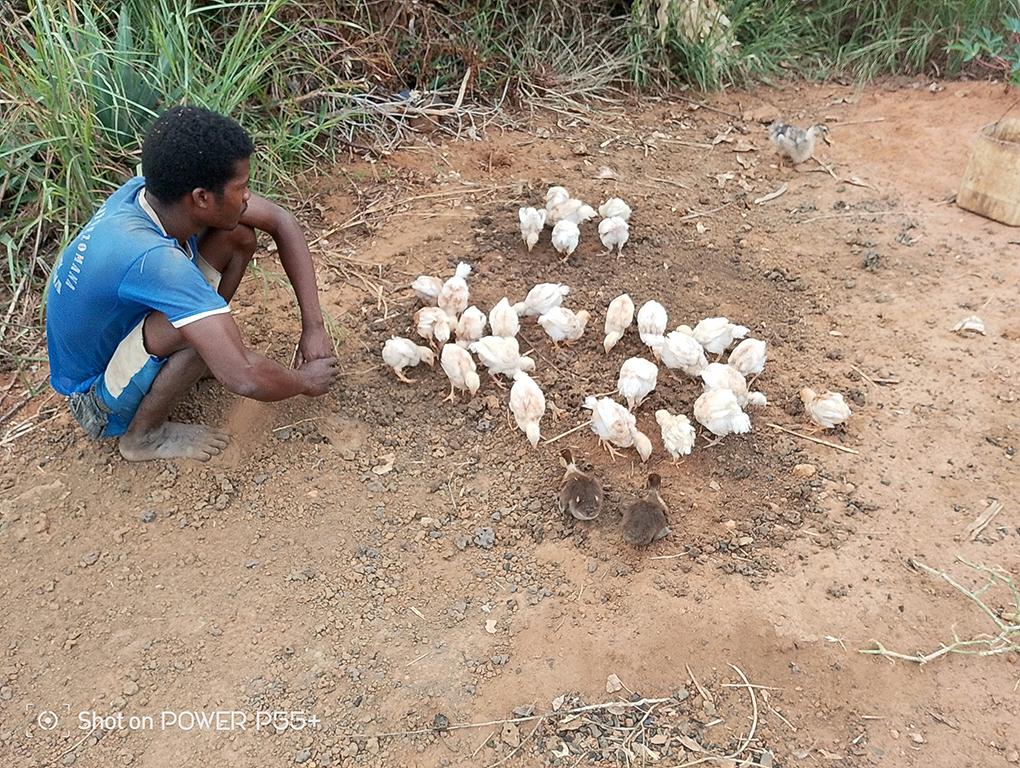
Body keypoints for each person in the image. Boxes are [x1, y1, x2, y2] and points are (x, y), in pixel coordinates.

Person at [46, 105, 338, 462]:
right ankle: (143, 437)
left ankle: (199, 357)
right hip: (95, 402)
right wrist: (306, 381)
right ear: (201, 198)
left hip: (121, 347)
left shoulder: (147, 194)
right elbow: (244, 377)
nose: (248, 196)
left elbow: (280, 220)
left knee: (237, 237)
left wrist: (314, 326)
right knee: (193, 329)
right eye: (241, 187)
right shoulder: (156, 261)